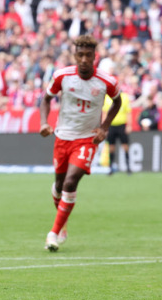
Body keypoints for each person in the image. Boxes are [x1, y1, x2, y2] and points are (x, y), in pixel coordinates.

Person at [39, 35, 122, 252]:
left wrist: (104, 127)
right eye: (80, 55)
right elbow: (46, 99)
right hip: (63, 136)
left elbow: (117, 101)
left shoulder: (107, 81)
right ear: (75, 56)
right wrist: (43, 123)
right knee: (58, 186)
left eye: (88, 55)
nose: (84, 59)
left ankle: (53, 233)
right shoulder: (62, 76)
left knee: (70, 182)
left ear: (95, 56)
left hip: (87, 138)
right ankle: (62, 223)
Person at [103, 91, 133, 175]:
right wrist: (104, 127)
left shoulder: (125, 97)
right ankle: (110, 168)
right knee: (111, 148)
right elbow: (105, 113)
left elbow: (128, 112)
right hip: (111, 126)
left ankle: (128, 168)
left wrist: (129, 125)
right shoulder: (107, 98)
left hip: (122, 126)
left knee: (125, 146)